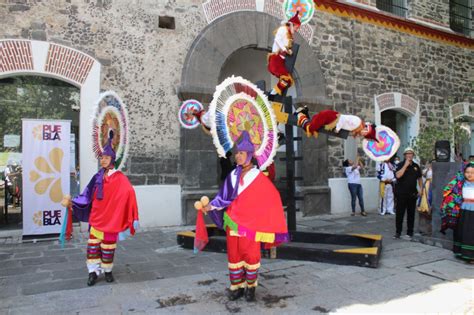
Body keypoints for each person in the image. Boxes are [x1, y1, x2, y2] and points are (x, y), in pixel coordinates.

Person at [201, 131, 289, 302]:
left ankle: (251, 287)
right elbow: (223, 197)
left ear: (249, 155)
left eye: (241, 153)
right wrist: (210, 206)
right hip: (233, 222)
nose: (238, 156)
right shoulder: (233, 175)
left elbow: (272, 198)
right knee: (234, 255)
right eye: (237, 153)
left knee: (251, 255)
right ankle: (237, 287)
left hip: (251, 225)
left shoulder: (259, 177)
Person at [71, 131, 139, 286]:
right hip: (97, 217)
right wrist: (74, 202)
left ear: (112, 160)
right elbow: (87, 194)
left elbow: (129, 193)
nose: (103, 160)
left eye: (106, 158)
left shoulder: (120, 178)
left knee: (108, 247)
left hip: (111, 219)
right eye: (102, 158)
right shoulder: (97, 177)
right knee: (93, 246)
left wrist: (131, 214)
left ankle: (107, 270)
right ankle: (92, 272)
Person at [441, 162, 474, 263]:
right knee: (463, 232)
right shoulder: (459, 182)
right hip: (463, 211)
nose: (469, 174)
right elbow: (447, 191)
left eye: (472, 172)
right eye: (467, 172)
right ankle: (463, 253)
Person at [267, 11, 301, 95]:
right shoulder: (283, 29)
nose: (297, 29)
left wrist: (288, 50)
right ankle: (272, 93)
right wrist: (285, 50)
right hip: (276, 59)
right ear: (292, 25)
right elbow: (277, 40)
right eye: (296, 27)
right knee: (286, 79)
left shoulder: (289, 36)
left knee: (288, 81)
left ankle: (274, 92)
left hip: (281, 60)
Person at [295, 109, 378, 141]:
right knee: (310, 128)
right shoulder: (357, 122)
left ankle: (304, 113)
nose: (362, 135)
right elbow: (342, 118)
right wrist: (337, 129)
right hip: (329, 117)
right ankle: (300, 114)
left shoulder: (357, 127)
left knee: (314, 127)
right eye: (365, 134)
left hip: (329, 119)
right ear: (366, 130)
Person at [394, 147, 422, 240]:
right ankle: (398, 232)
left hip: (412, 193)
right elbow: (398, 175)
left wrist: (421, 188)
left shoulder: (416, 166)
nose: (409, 155)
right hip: (401, 193)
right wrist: (405, 165)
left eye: (411, 154)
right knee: (400, 213)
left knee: (411, 214)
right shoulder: (400, 164)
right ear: (404, 155)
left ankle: (410, 232)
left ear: (413, 155)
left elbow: (420, 178)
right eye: (407, 154)